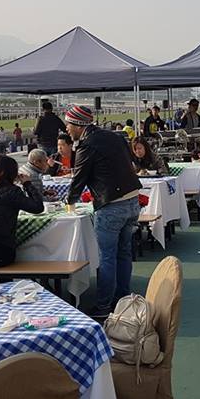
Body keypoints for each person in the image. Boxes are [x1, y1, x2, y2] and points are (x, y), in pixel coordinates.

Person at [64, 105, 142, 319]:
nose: (67, 129)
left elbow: (78, 178)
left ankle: (103, 307)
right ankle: (123, 300)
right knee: (124, 253)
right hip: (133, 200)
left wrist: (69, 201)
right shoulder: (115, 137)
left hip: (111, 205)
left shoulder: (86, 145)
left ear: (79, 124)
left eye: (69, 124)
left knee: (107, 257)